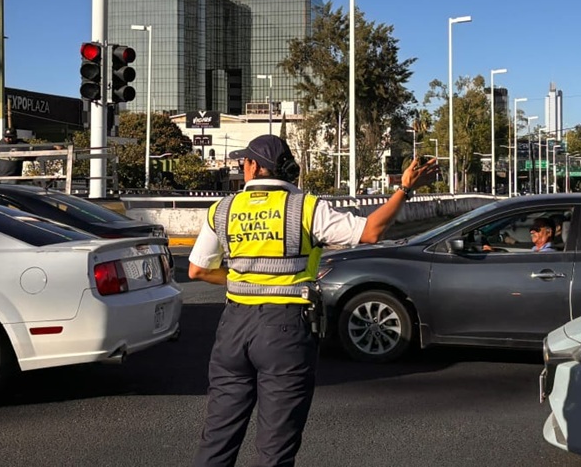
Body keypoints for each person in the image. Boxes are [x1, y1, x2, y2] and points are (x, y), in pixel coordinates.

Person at [188, 135, 440, 467]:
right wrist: (406, 189)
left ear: (251, 166)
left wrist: (242, 279)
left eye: (243, 163)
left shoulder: (222, 210)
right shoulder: (306, 207)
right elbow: (371, 232)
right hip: (285, 330)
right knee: (275, 446)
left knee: (218, 438)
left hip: (234, 328)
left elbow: (197, 270)